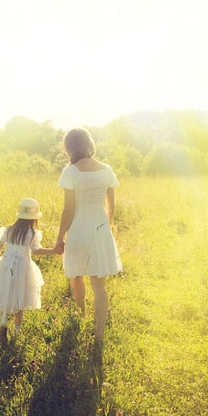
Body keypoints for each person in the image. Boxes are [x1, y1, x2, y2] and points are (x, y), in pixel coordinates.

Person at [55, 128, 122, 343]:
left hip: (78, 229)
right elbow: (111, 206)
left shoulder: (71, 172)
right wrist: (104, 226)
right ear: (89, 143)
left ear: (68, 148)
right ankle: (99, 336)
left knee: (76, 275)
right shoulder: (107, 170)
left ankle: (81, 315)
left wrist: (59, 237)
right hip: (100, 227)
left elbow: (68, 210)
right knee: (99, 286)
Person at [0, 198, 63, 347]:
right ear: (35, 218)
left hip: (6, 264)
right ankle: (16, 332)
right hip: (22, 267)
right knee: (19, 299)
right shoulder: (32, 233)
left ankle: (3, 324)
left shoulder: (9, 229)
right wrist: (54, 251)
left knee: (6, 294)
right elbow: (37, 251)